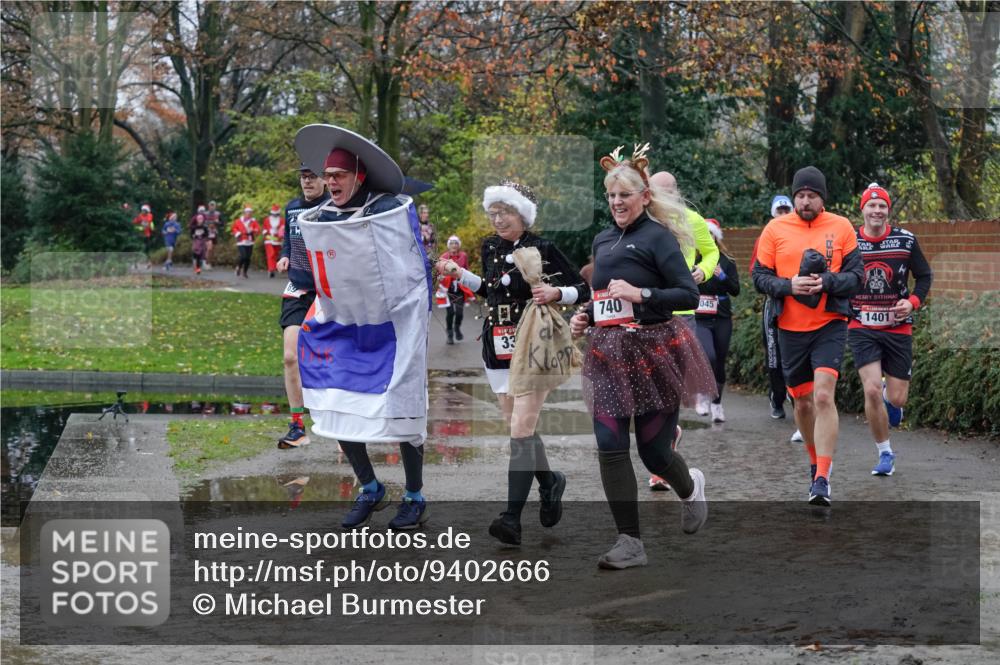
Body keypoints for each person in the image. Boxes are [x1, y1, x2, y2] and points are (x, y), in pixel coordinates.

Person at [570, 144, 714, 569]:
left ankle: (690, 488)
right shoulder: (603, 239)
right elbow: (604, 295)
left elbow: (687, 294)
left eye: (624, 195)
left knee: (653, 453)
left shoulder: (659, 238)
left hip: (655, 352)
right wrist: (586, 315)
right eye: (611, 196)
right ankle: (630, 542)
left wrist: (642, 293)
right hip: (608, 353)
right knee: (609, 444)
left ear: (645, 197)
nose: (616, 202)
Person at [293, 124, 431, 530]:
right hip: (344, 322)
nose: (331, 182)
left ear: (359, 176)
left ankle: (415, 496)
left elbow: (408, 265)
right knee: (337, 400)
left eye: (339, 175)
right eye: (328, 176)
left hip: (394, 324)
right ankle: (370, 488)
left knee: (403, 406)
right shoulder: (320, 215)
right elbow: (311, 270)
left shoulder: (387, 210)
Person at [438, 179, 589, 546]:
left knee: (521, 429)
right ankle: (550, 483)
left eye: (504, 212)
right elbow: (490, 289)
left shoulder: (543, 247)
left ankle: (511, 518)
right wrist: (459, 274)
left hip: (532, 345)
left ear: (522, 214)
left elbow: (583, 288)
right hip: (497, 347)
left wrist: (556, 292)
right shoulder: (490, 246)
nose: (498, 219)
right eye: (493, 213)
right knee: (519, 428)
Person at [752, 166, 863, 506]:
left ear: (822, 198)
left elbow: (857, 277)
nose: (804, 201)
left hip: (830, 323)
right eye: (800, 195)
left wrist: (826, 282)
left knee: (824, 396)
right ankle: (815, 464)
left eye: (811, 196)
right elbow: (759, 277)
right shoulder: (775, 229)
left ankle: (823, 479)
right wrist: (789, 286)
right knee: (801, 401)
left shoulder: (841, 227)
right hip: (790, 327)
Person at [849, 183, 933, 476]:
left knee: (897, 399)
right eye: (871, 206)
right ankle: (885, 453)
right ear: (862, 209)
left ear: (888, 210)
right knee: (871, 389)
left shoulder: (906, 240)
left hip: (897, 327)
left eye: (882, 206)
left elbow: (924, 276)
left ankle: (890, 396)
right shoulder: (850, 241)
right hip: (861, 325)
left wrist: (912, 302)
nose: (877, 210)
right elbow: (837, 277)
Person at [644, 170, 719, 491]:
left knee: (669, 383)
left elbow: (712, 251)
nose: (665, 196)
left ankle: (663, 455)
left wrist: (703, 270)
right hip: (647, 313)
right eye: (658, 191)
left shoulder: (692, 219)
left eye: (669, 190)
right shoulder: (643, 222)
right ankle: (667, 435)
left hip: (681, 312)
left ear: (677, 191)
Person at [276, 164, 330, 449]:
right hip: (298, 287)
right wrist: (285, 256)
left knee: (332, 358)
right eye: (303, 178)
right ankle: (297, 426)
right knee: (290, 357)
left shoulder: (333, 208)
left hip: (327, 291)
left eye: (312, 177)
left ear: (324, 180)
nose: (307, 182)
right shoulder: (292, 208)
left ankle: (342, 429)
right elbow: (288, 240)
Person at [693, 218, 741, 423]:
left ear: (716, 237)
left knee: (720, 360)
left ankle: (717, 403)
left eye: (711, 234)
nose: (708, 237)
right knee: (709, 355)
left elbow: (736, 290)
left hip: (721, 316)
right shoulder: (693, 261)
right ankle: (702, 392)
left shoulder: (727, 261)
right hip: (700, 317)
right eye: (704, 234)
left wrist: (722, 277)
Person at [437, 235, 471, 345]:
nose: (454, 245)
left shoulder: (463, 256)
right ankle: (450, 334)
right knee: (450, 312)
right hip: (448, 289)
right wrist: (440, 277)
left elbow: (466, 270)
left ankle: (457, 328)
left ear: (458, 245)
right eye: (451, 243)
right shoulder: (444, 257)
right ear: (448, 245)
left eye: (456, 243)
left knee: (460, 313)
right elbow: (439, 272)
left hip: (460, 288)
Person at [232, 205, 260, 278]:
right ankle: (238, 267)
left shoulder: (253, 221)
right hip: (241, 241)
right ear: (244, 213)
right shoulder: (238, 221)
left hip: (250, 241)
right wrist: (238, 233)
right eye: (247, 212)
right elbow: (234, 229)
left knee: (248, 258)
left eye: (250, 212)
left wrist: (253, 230)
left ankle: (245, 272)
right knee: (243, 256)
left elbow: (258, 229)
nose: (249, 214)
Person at [263, 204, 285, 278]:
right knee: (271, 254)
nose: (274, 215)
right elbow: (264, 229)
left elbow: (283, 230)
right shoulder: (267, 220)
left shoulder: (281, 220)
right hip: (268, 239)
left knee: (275, 255)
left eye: (276, 214)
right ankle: (271, 270)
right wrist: (266, 232)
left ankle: (274, 268)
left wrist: (281, 234)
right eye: (273, 214)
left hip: (277, 240)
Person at [132, 203, 155, 268]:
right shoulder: (139, 216)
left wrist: (142, 223)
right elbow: (134, 223)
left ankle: (148, 263)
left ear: (147, 211)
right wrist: (138, 227)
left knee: (146, 250)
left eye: (144, 210)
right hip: (140, 235)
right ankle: (135, 264)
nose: (143, 211)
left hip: (147, 235)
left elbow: (147, 223)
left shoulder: (150, 215)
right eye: (142, 210)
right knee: (138, 249)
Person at [204, 201, 223, 269]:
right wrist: (207, 225)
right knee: (209, 248)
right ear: (208, 206)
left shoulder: (218, 214)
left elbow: (222, 223)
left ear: (215, 206)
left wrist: (218, 222)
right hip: (207, 232)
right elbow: (201, 222)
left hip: (214, 233)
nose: (212, 207)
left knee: (212, 250)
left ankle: (209, 262)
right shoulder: (205, 214)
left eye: (213, 206)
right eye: (210, 205)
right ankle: (206, 262)